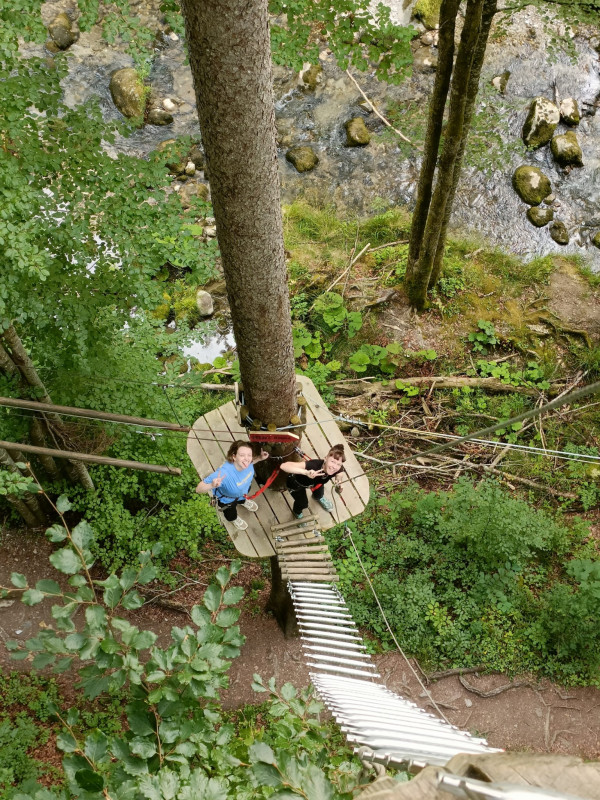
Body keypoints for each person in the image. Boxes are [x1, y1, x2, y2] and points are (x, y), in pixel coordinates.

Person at [196, 440, 268, 531]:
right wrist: (212, 485)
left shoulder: (248, 462)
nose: (247, 458)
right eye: (242, 455)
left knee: (243, 496)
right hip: (228, 500)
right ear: (234, 456)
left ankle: (242, 502)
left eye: (249, 455)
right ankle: (234, 519)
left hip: (243, 492)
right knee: (230, 513)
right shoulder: (224, 474)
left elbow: (251, 462)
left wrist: (260, 458)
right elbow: (198, 489)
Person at [280, 444, 345, 520]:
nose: (334, 467)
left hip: (318, 482)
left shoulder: (337, 469)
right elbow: (283, 466)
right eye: (333, 462)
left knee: (319, 494)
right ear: (325, 458)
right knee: (303, 503)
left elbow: (340, 472)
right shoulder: (313, 465)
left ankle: (318, 497)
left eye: (338, 464)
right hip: (296, 483)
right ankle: (297, 512)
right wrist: (306, 472)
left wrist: (338, 480)